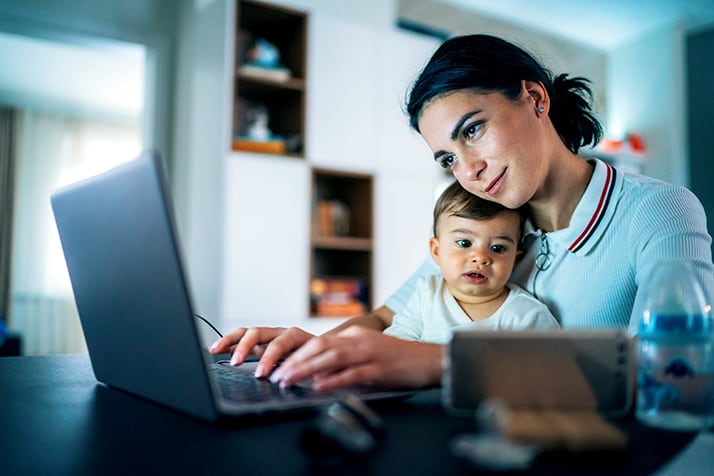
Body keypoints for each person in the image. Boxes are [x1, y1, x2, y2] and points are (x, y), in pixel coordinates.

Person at [210, 34, 714, 392]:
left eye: (472, 130)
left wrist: (443, 362)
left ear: (535, 98)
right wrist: (312, 349)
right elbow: (387, 317)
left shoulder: (659, 211)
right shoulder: (483, 219)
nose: (467, 170)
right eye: (447, 158)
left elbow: (676, 366)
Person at [383, 179, 558, 343]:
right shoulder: (427, 294)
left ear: (515, 260)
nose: (480, 258)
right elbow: (396, 342)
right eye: (464, 243)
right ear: (436, 251)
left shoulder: (526, 315)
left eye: (498, 248)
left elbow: (551, 368)